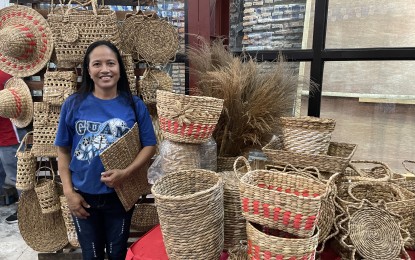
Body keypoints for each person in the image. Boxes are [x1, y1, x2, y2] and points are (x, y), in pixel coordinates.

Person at [54, 40, 157, 260]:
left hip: (119, 197)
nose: (105, 69)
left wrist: (126, 173)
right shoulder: (73, 104)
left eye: (110, 63)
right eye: (97, 64)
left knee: (117, 253)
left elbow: (150, 145)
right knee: (91, 256)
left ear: (119, 68)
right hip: (83, 197)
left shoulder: (134, 104)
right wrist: (69, 193)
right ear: (88, 70)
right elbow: (63, 151)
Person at [0, 70, 26, 224]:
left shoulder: (4, 74)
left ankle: (26, 211)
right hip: (6, 135)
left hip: (9, 135)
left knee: (18, 177)